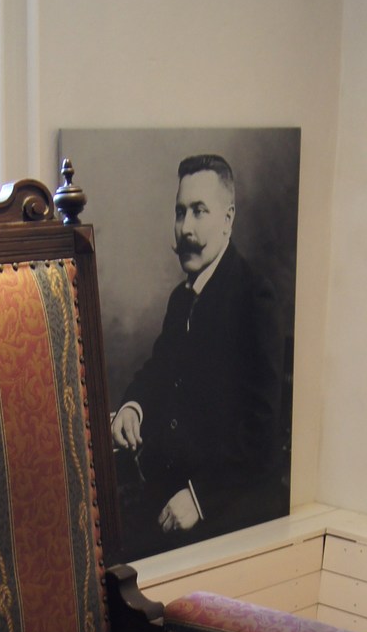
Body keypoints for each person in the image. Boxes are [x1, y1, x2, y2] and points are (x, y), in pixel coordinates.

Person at [109, 153, 284, 560]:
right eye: (180, 212)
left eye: (199, 211)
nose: (185, 228)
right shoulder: (181, 299)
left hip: (228, 504)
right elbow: (159, 369)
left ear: (228, 219)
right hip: (169, 490)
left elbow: (262, 434)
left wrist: (200, 498)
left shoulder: (254, 297)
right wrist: (132, 407)